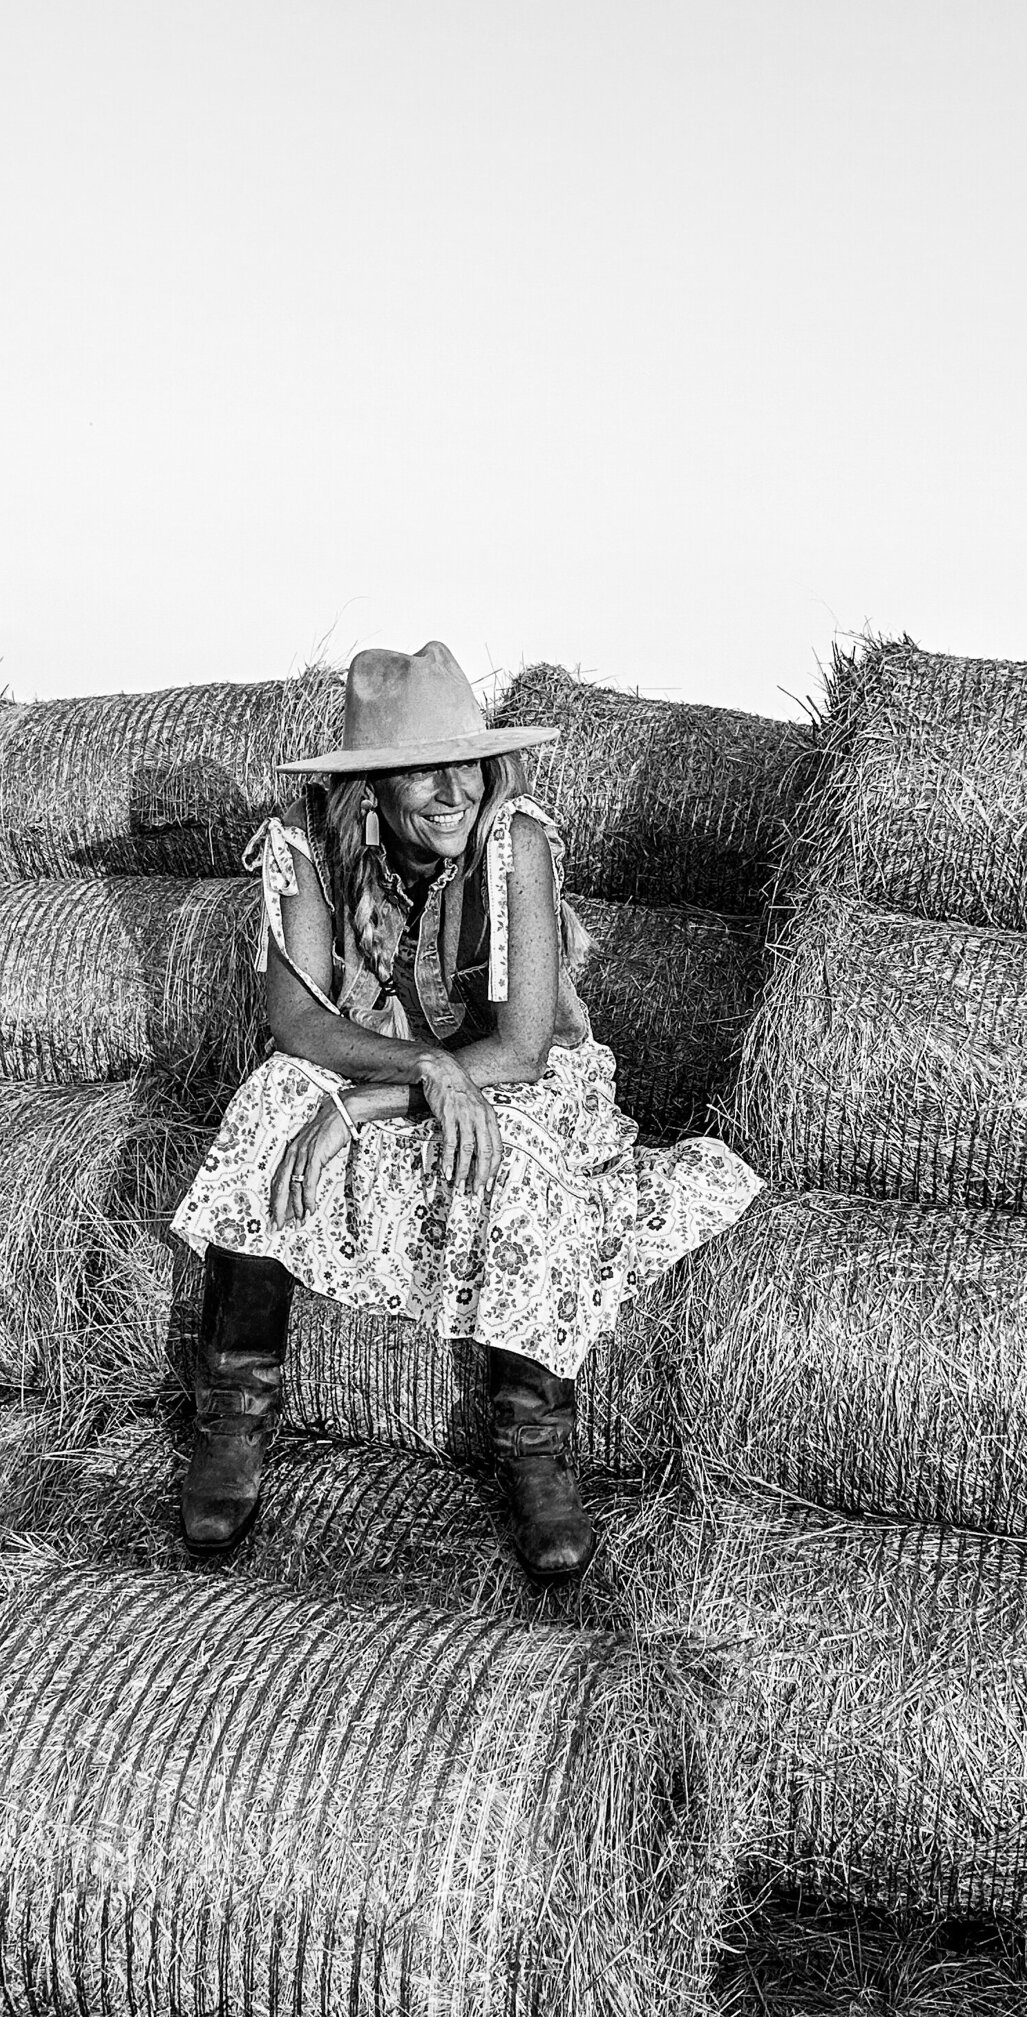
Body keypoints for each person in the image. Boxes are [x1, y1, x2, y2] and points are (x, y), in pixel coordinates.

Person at [170, 641, 762, 1577]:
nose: (452, 790)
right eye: (420, 770)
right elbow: (295, 1022)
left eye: (466, 764)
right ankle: (236, 1406)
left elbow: (522, 1049)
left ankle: (534, 1440)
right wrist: (415, 1071)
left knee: (513, 1146)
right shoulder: (312, 842)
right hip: (403, 1062)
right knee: (268, 1107)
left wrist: (365, 1105)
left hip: (516, 1077)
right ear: (372, 788)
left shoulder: (514, 839)